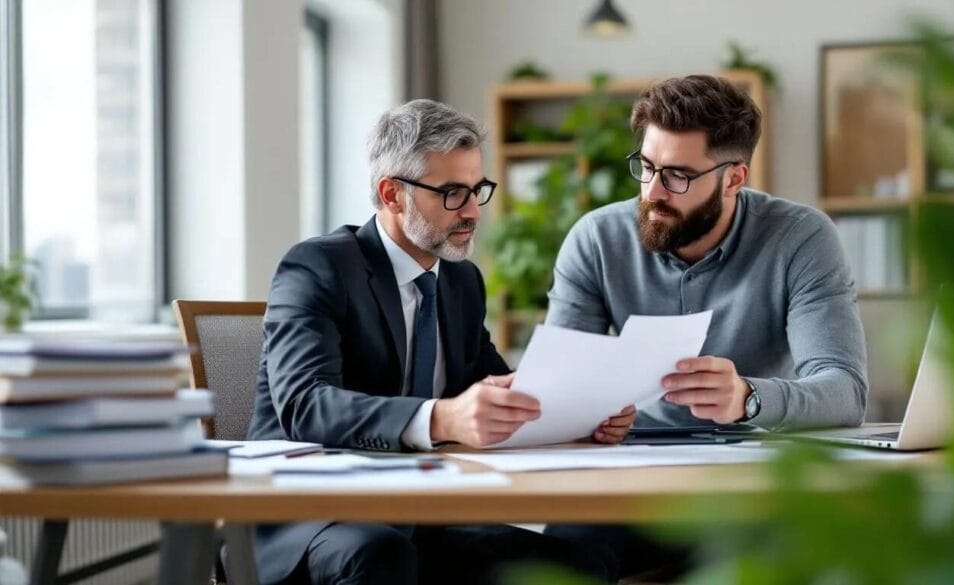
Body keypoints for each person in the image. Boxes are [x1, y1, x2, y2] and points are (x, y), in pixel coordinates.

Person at [246, 99, 631, 585]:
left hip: (417, 512)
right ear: (392, 194)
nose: (472, 211)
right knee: (380, 556)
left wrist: (579, 415)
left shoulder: (460, 281)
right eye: (451, 193)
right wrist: (439, 418)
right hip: (312, 515)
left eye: (476, 190)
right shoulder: (318, 267)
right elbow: (305, 405)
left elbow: (493, 386)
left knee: (579, 561)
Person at [543, 74, 868, 581]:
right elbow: (558, 389)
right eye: (646, 167)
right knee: (561, 555)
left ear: (734, 178)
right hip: (627, 480)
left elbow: (845, 391)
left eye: (677, 175)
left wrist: (747, 397)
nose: (652, 192)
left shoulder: (801, 238)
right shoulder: (596, 239)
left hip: (751, 486)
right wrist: (587, 412)